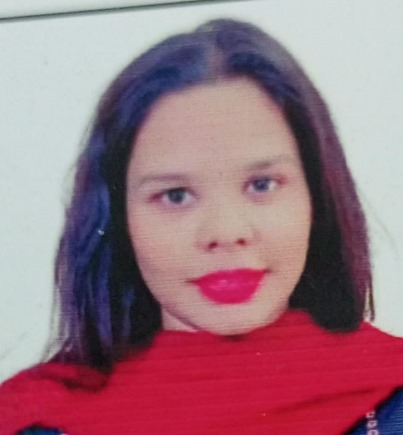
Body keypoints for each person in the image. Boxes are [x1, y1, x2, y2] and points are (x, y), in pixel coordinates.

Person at [1, 18, 402, 435]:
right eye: (176, 195)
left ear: (317, 197)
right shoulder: (36, 422)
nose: (225, 232)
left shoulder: (393, 403)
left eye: (262, 185)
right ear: (119, 219)